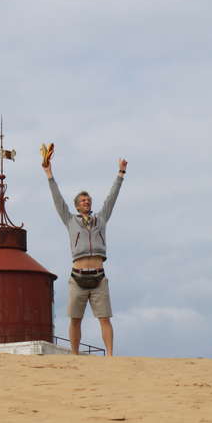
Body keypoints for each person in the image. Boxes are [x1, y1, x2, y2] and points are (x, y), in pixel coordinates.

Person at [43, 153, 127, 356]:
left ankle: (110, 355)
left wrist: (121, 174)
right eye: (83, 200)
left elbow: (111, 198)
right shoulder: (70, 220)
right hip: (78, 277)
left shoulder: (101, 219)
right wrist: (49, 174)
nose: (87, 202)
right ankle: (74, 354)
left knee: (105, 317)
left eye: (88, 200)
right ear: (77, 205)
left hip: (98, 276)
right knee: (75, 318)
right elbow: (58, 200)